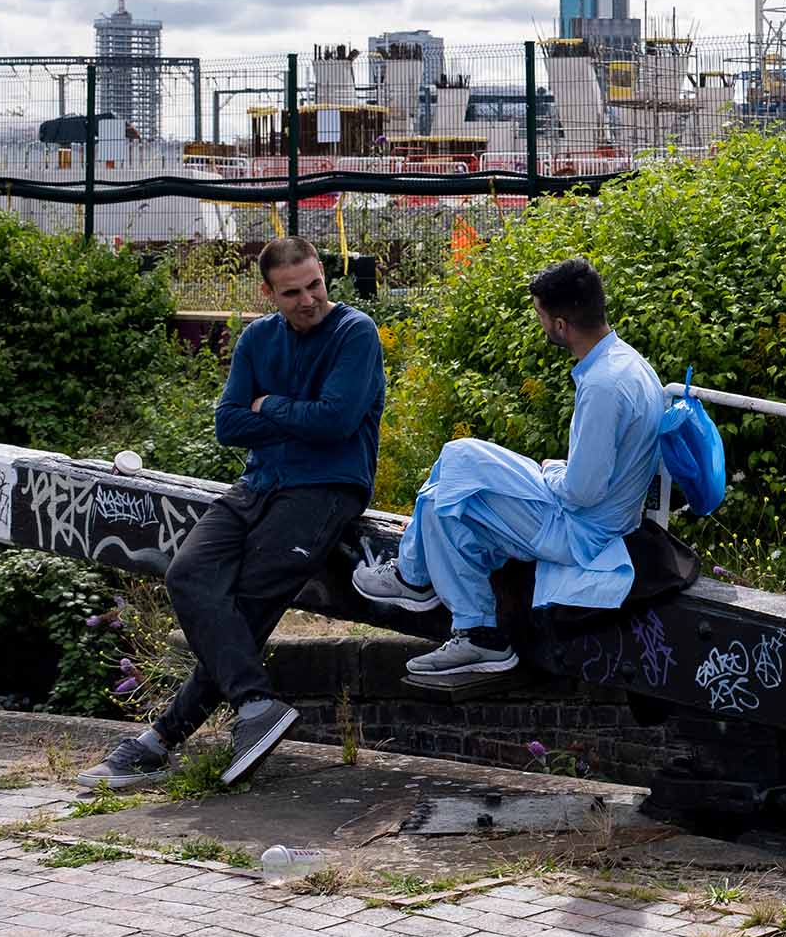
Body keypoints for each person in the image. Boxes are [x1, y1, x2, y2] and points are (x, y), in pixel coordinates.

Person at [78, 236, 385, 789]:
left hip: (325, 489)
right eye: (292, 293)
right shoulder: (258, 339)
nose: (309, 299)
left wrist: (270, 406)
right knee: (188, 575)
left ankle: (159, 742)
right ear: (268, 293)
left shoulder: (354, 333)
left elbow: (337, 423)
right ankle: (254, 705)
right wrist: (297, 416)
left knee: (244, 605)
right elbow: (228, 425)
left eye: (315, 284)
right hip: (257, 483)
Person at [351, 258, 664, 683]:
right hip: (597, 516)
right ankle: (436, 596)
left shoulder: (603, 386)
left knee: (448, 499)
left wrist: (554, 474)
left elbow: (583, 492)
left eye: (539, 317)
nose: (540, 325)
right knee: (458, 458)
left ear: (559, 324)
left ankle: (454, 611)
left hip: (581, 532)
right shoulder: (627, 362)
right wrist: (561, 471)